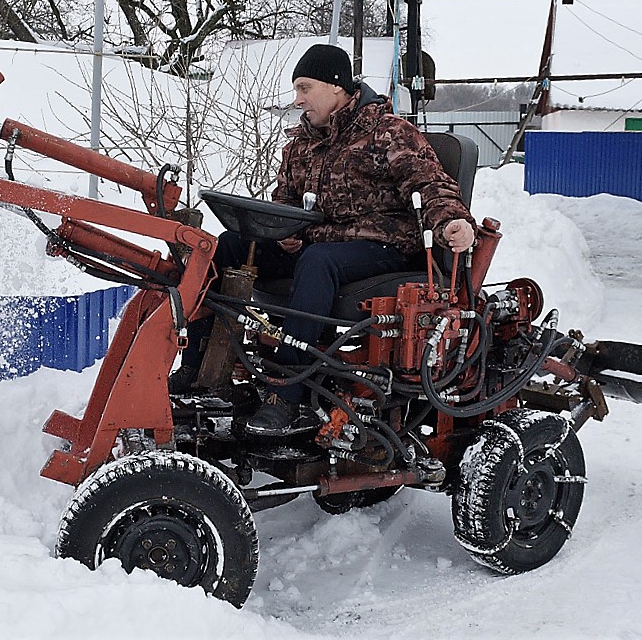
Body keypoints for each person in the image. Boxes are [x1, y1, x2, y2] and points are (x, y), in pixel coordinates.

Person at [173, 43, 476, 436]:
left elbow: (431, 184)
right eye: (296, 90)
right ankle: (200, 368)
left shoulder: (389, 133)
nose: (297, 100)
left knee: (319, 261)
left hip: (384, 247)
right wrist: (280, 235)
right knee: (228, 246)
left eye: (304, 88)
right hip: (319, 245)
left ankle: (286, 394)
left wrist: (452, 221)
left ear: (336, 87)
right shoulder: (301, 144)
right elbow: (284, 201)